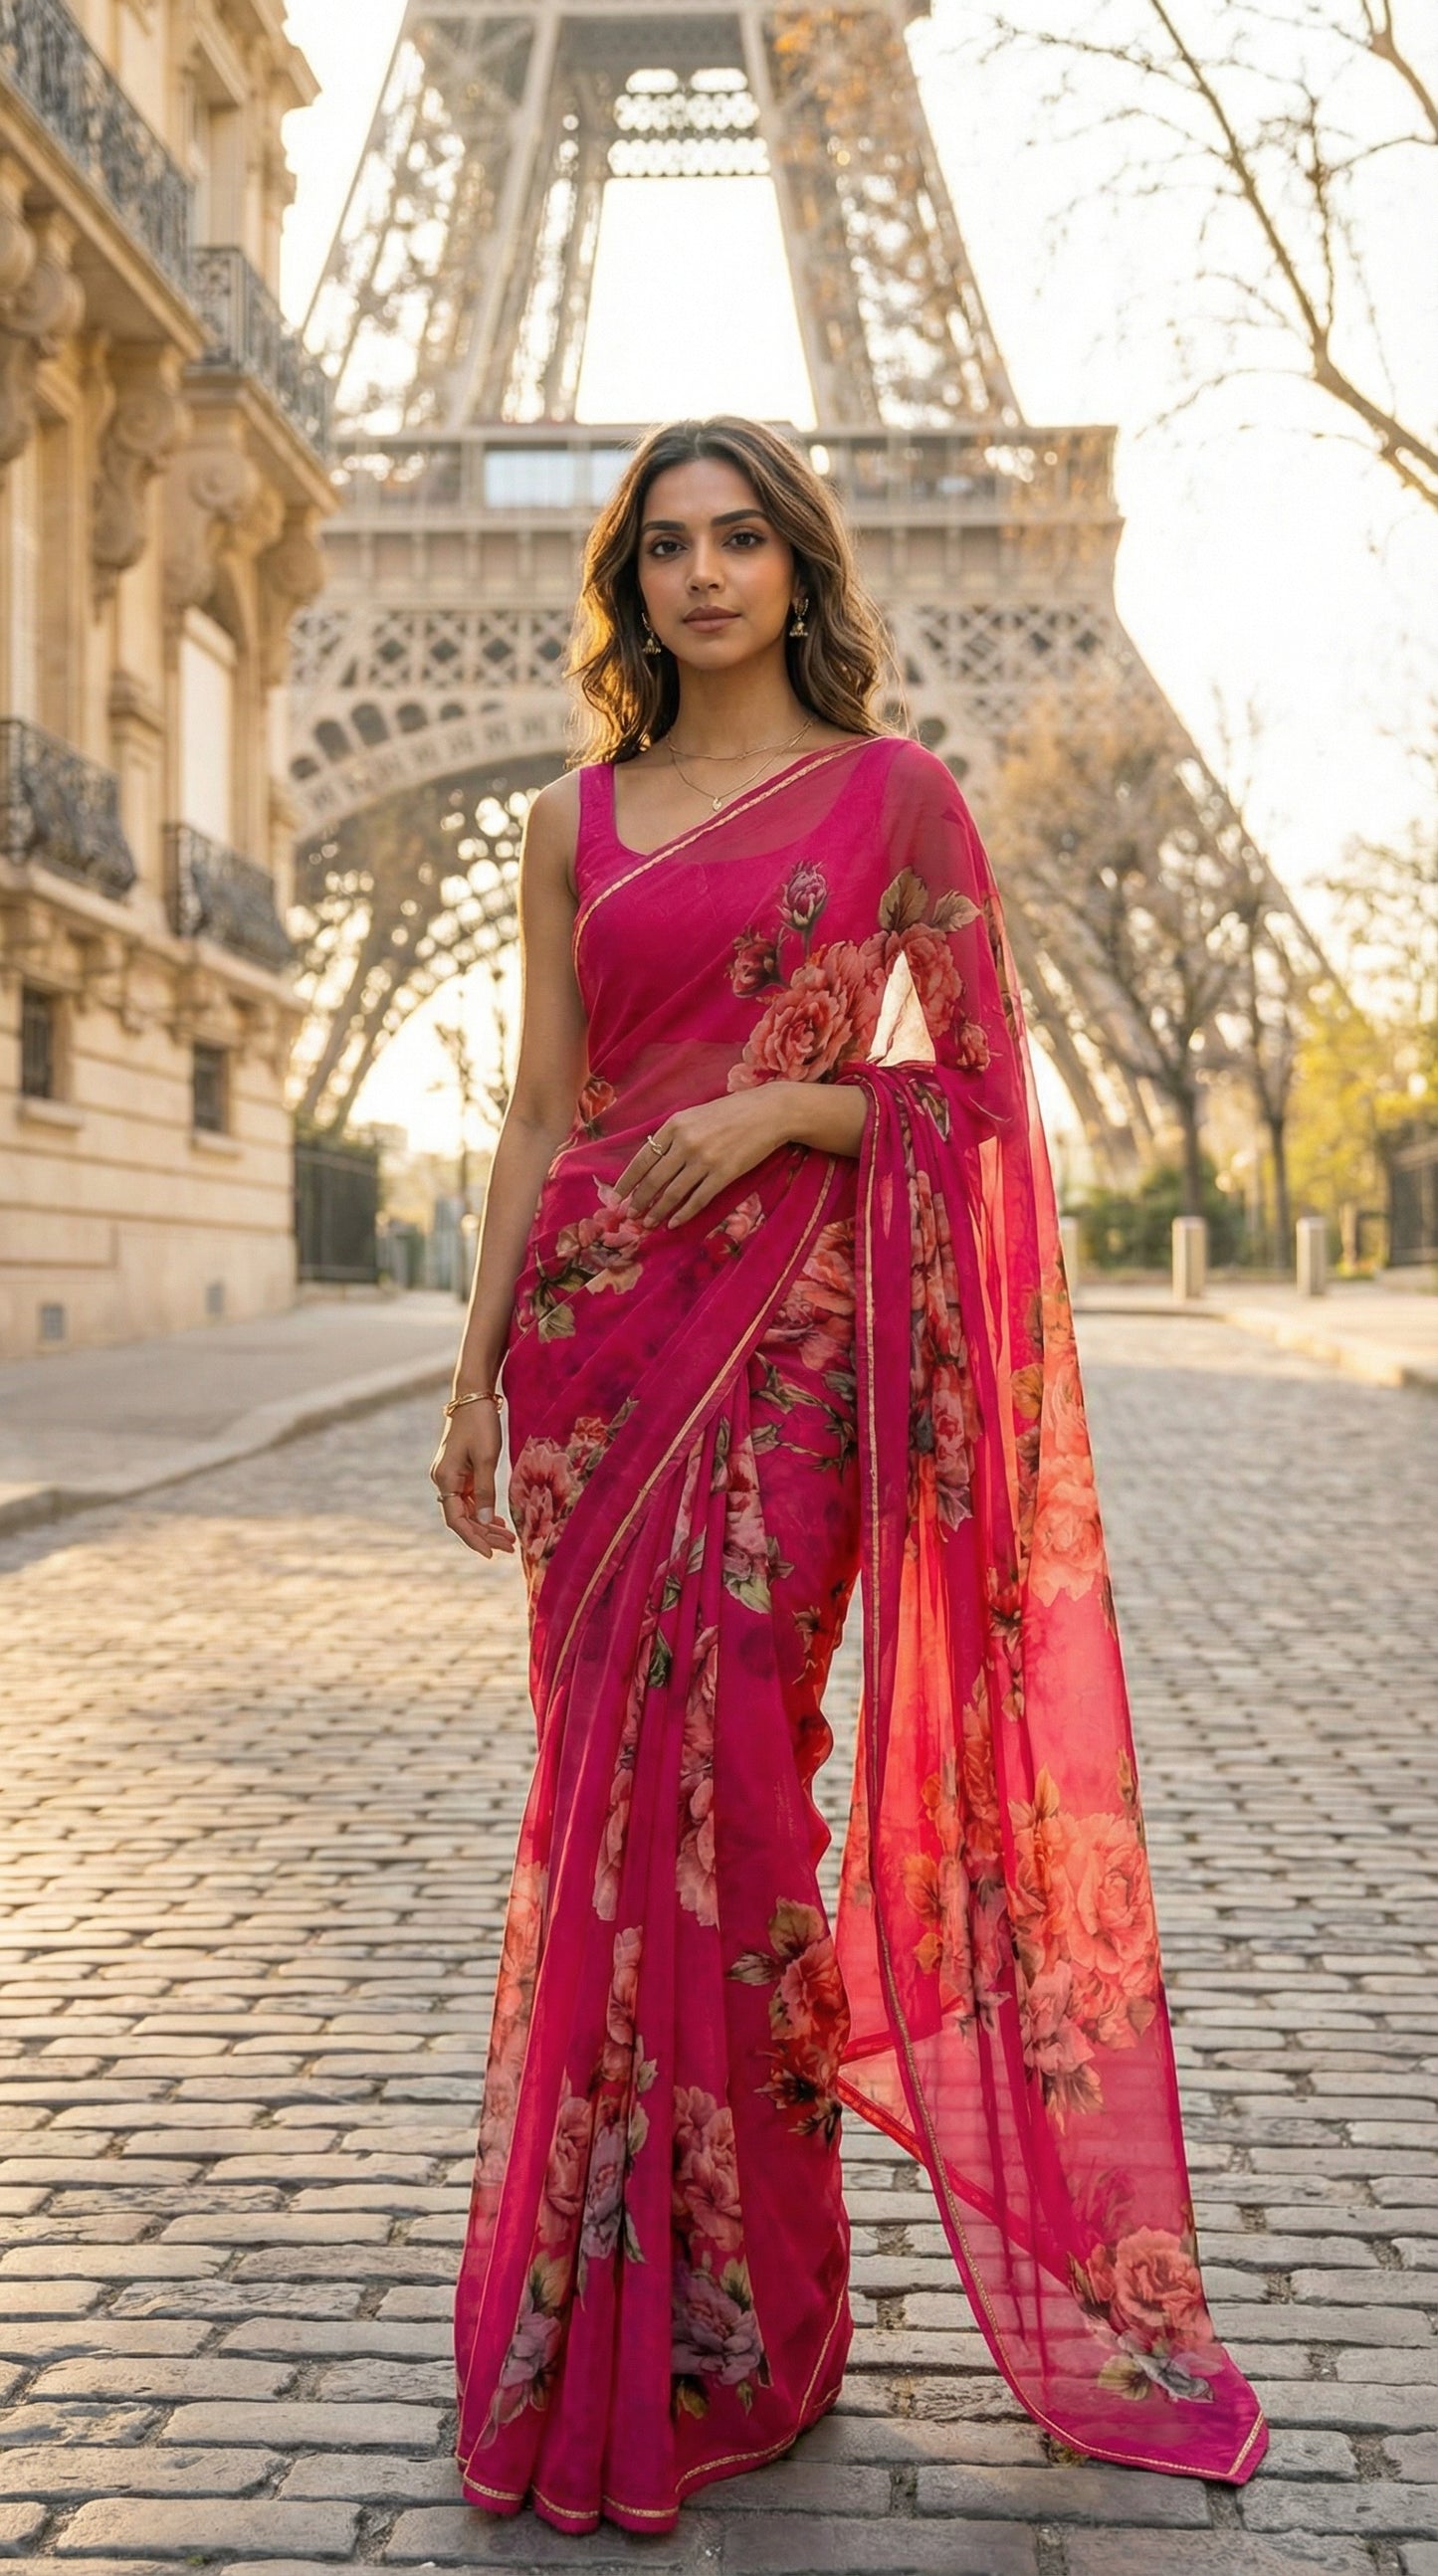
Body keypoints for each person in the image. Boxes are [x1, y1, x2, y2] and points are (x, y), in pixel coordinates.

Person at [432, 415, 1266, 2534]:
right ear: (633, 582)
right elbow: (540, 1113)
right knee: (601, 1819)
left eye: (741, 539)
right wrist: (469, 1382)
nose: (704, 574)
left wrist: (806, 1109)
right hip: (596, 1360)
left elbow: (979, 1101)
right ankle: (600, 2301)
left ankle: (749, 2308)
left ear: (799, 565)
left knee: (729, 1802)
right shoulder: (568, 815)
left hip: (788, 1354)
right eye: (669, 546)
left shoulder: (904, 799)